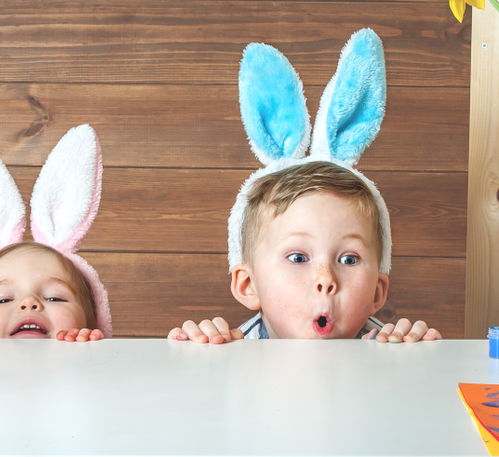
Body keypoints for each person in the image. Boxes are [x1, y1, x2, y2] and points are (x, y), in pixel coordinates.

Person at [168, 29, 442, 344]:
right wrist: (195, 358)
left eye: (349, 259)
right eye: (298, 257)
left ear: (377, 292)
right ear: (248, 285)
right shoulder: (224, 355)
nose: (325, 280)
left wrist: (418, 365)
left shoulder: (392, 355)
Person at [0, 125, 112, 341]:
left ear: (92, 322)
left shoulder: (103, 368)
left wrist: (172, 352)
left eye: (55, 298)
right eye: (3, 300)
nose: (29, 302)